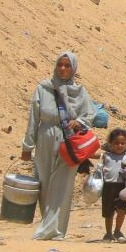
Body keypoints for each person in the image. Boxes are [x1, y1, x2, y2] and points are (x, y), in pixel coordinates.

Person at [22, 52, 95, 240]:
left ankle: (56, 230)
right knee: (44, 183)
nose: (63, 69)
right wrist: (27, 146)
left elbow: (89, 115)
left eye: (67, 66)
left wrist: (77, 122)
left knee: (62, 186)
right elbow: (34, 117)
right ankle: (47, 223)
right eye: (60, 65)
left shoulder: (80, 92)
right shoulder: (43, 88)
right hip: (45, 137)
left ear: (73, 69)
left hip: (68, 142)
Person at [100, 128, 126, 243]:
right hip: (108, 187)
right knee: (109, 213)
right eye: (116, 143)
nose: (120, 145)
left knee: (121, 211)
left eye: (123, 143)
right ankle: (108, 233)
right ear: (110, 144)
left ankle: (117, 231)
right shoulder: (106, 156)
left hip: (122, 189)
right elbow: (93, 154)